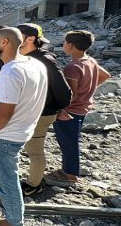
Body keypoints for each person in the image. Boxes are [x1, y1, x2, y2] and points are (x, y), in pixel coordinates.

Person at [0, 28, 47, 226]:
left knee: (8, 182)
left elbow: (4, 112)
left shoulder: (10, 71)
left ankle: (12, 221)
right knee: (10, 176)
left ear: (5, 43)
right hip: (22, 131)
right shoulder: (35, 64)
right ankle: (11, 204)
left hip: (4, 136)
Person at [44, 30, 111, 187]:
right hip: (83, 108)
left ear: (70, 45)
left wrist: (62, 110)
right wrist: (87, 90)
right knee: (71, 141)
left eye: (64, 43)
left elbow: (70, 96)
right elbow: (105, 75)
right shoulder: (90, 61)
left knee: (69, 143)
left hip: (70, 111)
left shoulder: (72, 68)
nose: (63, 45)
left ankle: (70, 175)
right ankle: (69, 171)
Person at [16, 23, 72, 196]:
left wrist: (59, 108)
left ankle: (33, 185)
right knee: (30, 148)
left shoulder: (44, 60)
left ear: (30, 39)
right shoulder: (29, 56)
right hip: (32, 111)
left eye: (18, 36)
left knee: (35, 150)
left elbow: (63, 90)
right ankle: (33, 178)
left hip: (41, 113)